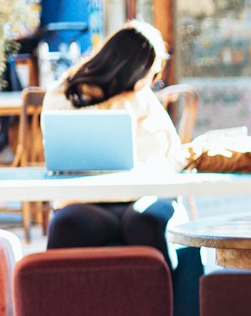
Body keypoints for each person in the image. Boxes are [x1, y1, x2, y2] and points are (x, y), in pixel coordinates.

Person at [43, 21, 184, 266]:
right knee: (69, 225)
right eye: (150, 74)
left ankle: (165, 304)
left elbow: (174, 152)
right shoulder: (65, 94)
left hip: (142, 195)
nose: (150, 83)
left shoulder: (142, 97)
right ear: (130, 68)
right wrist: (126, 104)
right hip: (85, 200)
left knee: (147, 221)